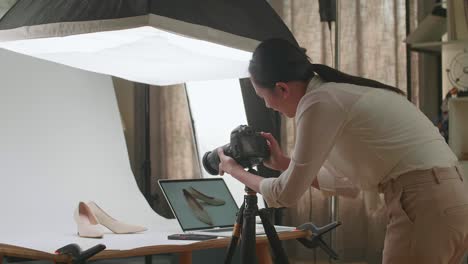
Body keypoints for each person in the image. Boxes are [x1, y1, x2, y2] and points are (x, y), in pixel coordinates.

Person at [216, 38, 468, 264]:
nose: (268, 105)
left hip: (423, 202)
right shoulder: (338, 93)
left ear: (282, 88)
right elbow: (347, 183)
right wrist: (284, 163)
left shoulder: (319, 101)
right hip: (449, 199)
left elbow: (285, 193)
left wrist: (233, 169)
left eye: (262, 96)